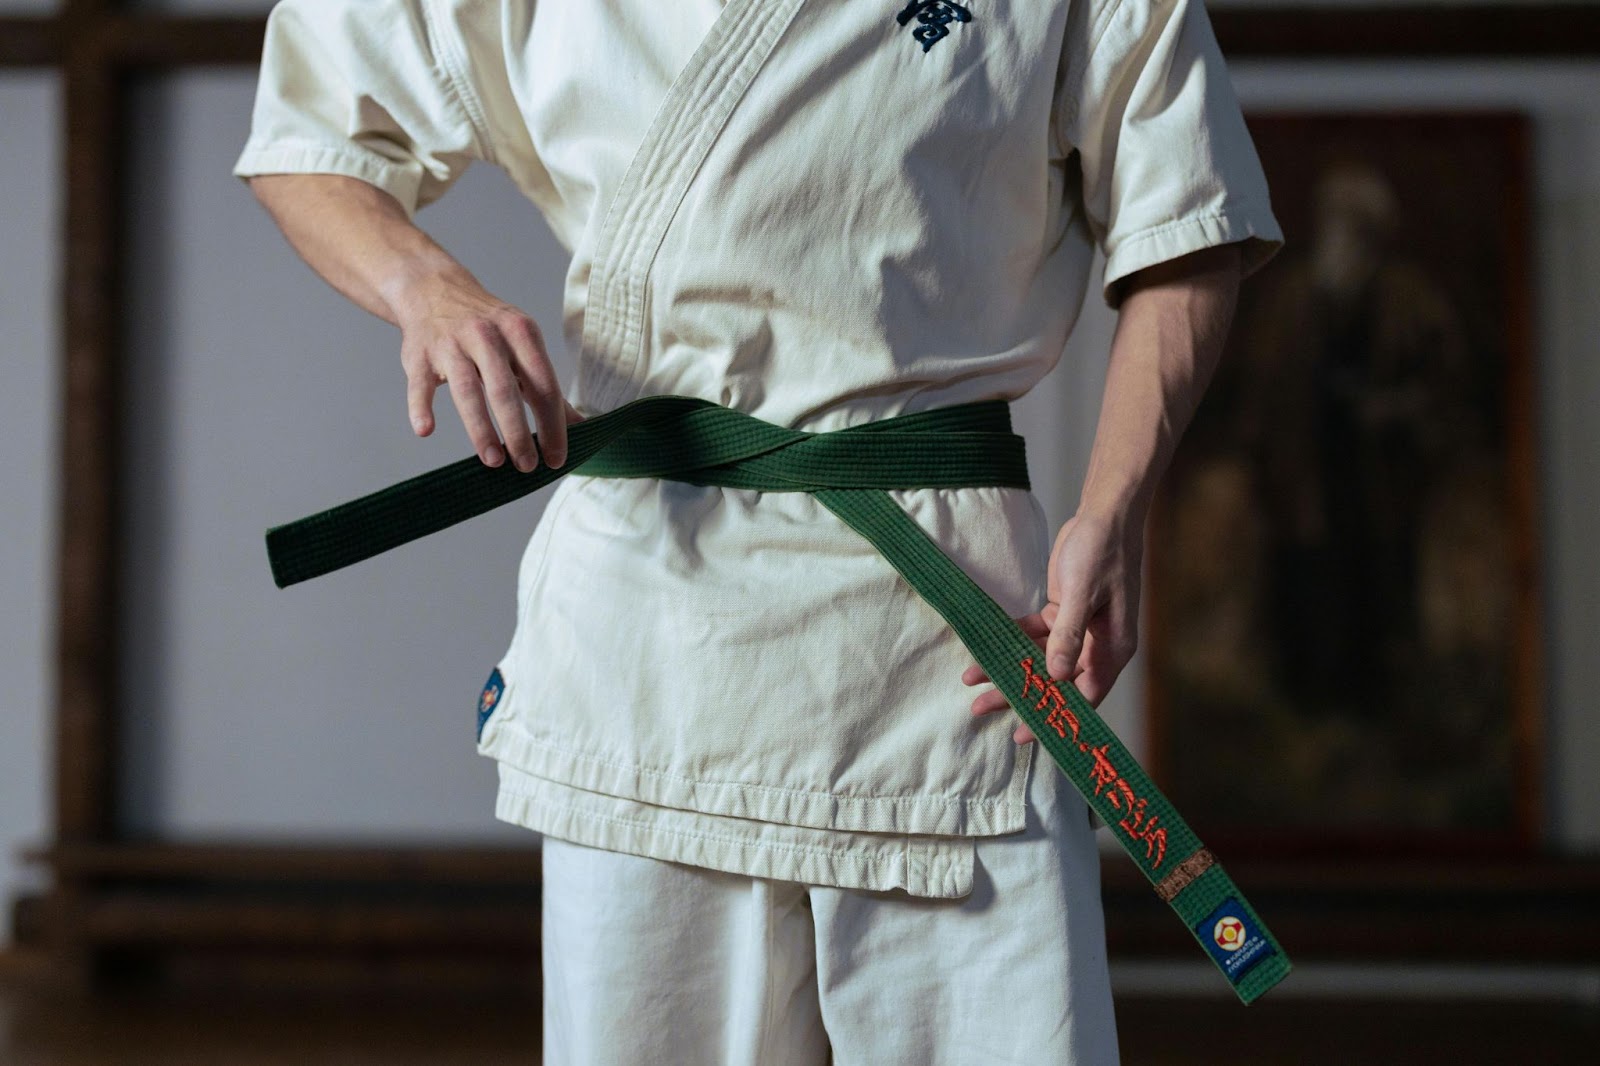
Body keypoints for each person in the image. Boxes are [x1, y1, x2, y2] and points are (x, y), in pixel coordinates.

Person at [234, 0, 1282, 1061]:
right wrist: (425, 286)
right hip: (652, 619)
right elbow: (309, 133)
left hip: (944, 630)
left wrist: (1116, 507)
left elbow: (1188, 213)